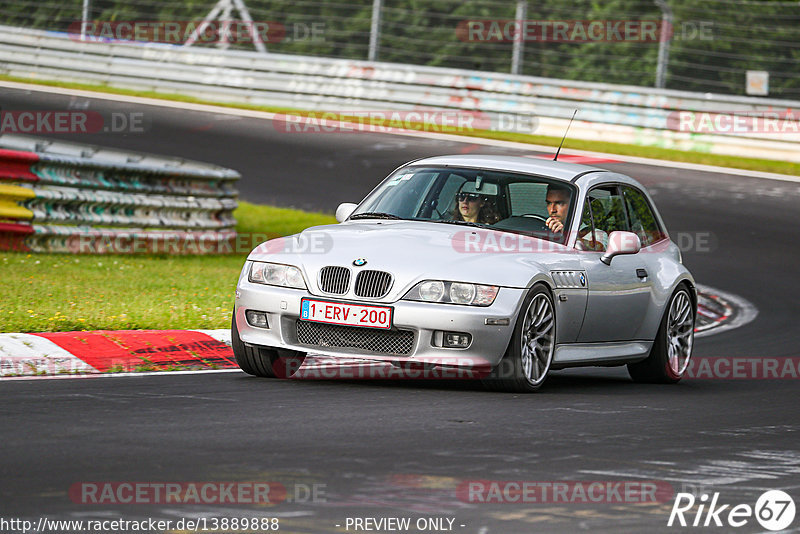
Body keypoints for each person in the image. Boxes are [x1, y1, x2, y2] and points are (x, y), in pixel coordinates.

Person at [544, 183, 608, 251]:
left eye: (560, 203)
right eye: (549, 203)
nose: (552, 210)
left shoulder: (596, 235)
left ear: (574, 205)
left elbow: (597, 249)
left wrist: (564, 235)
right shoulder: (541, 228)